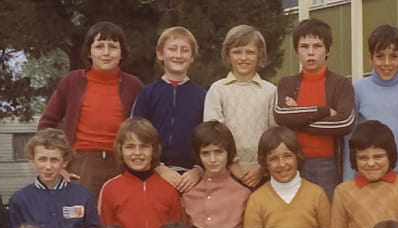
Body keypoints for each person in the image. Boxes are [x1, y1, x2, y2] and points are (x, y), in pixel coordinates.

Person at [38, 21, 142, 202]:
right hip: (82, 164)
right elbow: (47, 123)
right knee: (81, 216)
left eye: (113, 47)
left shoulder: (134, 85)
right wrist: (58, 166)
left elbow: (145, 129)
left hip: (122, 163)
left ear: (122, 52)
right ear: (89, 52)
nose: (106, 53)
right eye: (99, 46)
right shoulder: (72, 81)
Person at [273, 18, 355, 200]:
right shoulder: (286, 83)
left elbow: (344, 122)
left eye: (317, 46)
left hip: (329, 165)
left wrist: (299, 118)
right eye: (304, 46)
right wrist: (325, 111)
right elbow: (281, 115)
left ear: (328, 50)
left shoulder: (340, 83)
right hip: (293, 163)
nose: (310, 52)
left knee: (328, 214)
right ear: (297, 51)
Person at [8, 128, 99, 228]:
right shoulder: (20, 200)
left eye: (55, 160)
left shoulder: (82, 196)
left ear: (65, 162)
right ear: (32, 160)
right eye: (42, 159)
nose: (48, 166)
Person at [98, 117, 181, 228]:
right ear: (120, 150)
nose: (137, 153)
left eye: (144, 146)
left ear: (154, 150)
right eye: (130, 147)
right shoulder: (110, 189)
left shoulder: (169, 188)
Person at [343, 24, 398, 181]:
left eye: (393, 56)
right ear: (370, 57)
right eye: (380, 56)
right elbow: (349, 139)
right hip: (369, 178)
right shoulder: (358, 89)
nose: (387, 63)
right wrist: (349, 179)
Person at [243, 126, 331, 228]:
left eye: (287, 156)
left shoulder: (316, 194)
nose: (282, 164)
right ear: (265, 163)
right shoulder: (257, 199)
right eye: (274, 159)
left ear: (297, 157)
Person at [131, 26, 205, 193]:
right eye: (172, 49)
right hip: (153, 172)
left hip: (191, 177)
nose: (178, 55)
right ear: (160, 54)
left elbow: (209, 137)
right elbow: (136, 133)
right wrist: (157, 166)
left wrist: (198, 170)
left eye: (185, 50)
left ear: (192, 57)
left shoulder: (202, 95)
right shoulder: (148, 93)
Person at [204, 24, 276, 189]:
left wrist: (262, 167)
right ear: (228, 56)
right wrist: (232, 166)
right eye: (237, 52)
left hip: (263, 172)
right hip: (227, 172)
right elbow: (213, 133)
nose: (243, 58)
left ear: (259, 55)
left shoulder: (271, 91)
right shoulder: (218, 90)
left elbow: (274, 134)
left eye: (250, 52)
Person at [183, 121, 251, 228]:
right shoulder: (188, 193)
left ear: (228, 153)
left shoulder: (243, 194)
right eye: (205, 153)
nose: (212, 160)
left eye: (218, 152)